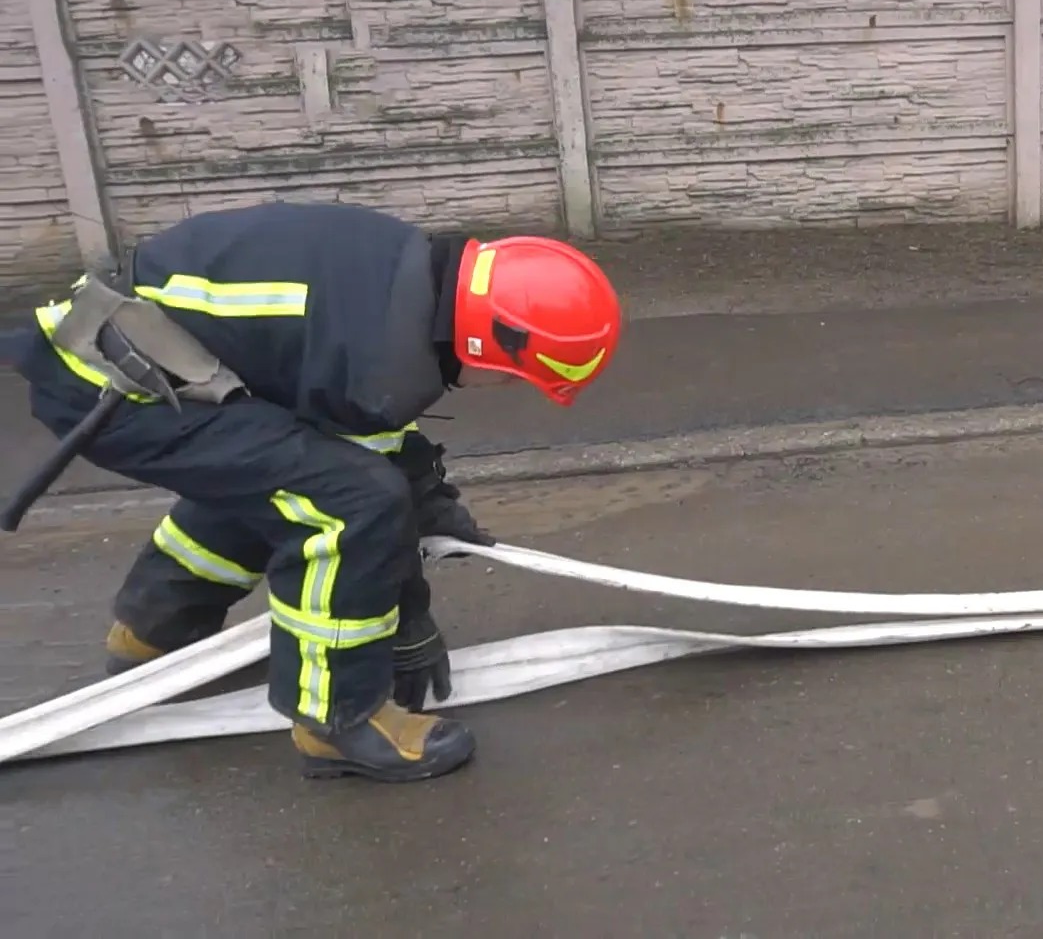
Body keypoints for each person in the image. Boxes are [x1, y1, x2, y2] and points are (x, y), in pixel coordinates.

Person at [6, 201, 621, 782]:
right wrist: (408, 624)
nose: (507, 388)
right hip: (116, 385)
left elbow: (366, 437)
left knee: (283, 475)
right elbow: (370, 484)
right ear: (490, 340)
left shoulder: (405, 280)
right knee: (348, 505)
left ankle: (150, 636)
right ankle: (337, 720)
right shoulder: (383, 354)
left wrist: (435, 507)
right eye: (514, 377)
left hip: (122, 348)